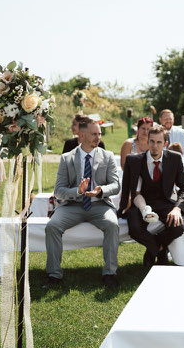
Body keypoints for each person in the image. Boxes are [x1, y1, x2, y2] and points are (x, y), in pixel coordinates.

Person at [44, 120, 120, 289]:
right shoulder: (67, 158)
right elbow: (59, 190)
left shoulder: (108, 156)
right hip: (72, 206)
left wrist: (101, 190)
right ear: (82, 135)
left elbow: (116, 185)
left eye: (99, 134)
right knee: (52, 226)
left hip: (99, 205)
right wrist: (77, 191)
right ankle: (54, 274)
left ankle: (110, 273)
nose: (98, 138)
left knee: (112, 224)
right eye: (94, 134)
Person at [119, 125, 184, 267]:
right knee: (134, 229)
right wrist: (125, 206)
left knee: (177, 228)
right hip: (140, 203)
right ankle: (159, 251)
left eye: (159, 142)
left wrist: (177, 209)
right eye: (151, 141)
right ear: (147, 142)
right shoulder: (133, 161)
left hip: (164, 203)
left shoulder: (175, 158)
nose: (154, 146)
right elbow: (128, 187)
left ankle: (153, 250)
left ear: (165, 144)